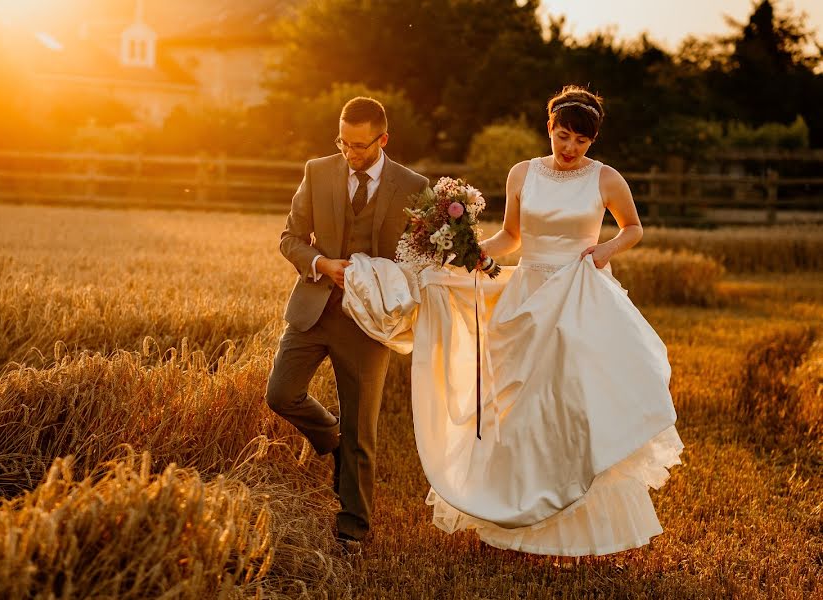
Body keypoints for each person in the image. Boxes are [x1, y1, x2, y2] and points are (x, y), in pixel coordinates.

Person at [340, 85, 684, 556]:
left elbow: (634, 228)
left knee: (568, 406)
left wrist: (604, 250)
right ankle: (516, 516)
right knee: (518, 406)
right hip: (527, 295)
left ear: (593, 142)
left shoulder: (606, 179)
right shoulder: (522, 173)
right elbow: (512, 237)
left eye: (581, 142)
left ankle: (575, 521)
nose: (570, 149)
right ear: (550, 128)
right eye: (563, 136)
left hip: (577, 298)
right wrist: (466, 255)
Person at [265, 96, 428, 548]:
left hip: (370, 322)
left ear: (383, 139)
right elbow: (289, 239)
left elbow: (423, 255)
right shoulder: (317, 172)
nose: (349, 153)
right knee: (281, 393)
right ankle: (331, 438)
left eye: (359, 145)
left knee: (363, 429)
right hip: (315, 308)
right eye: (343, 142)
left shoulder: (414, 186)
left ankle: (353, 527)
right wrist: (321, 262)